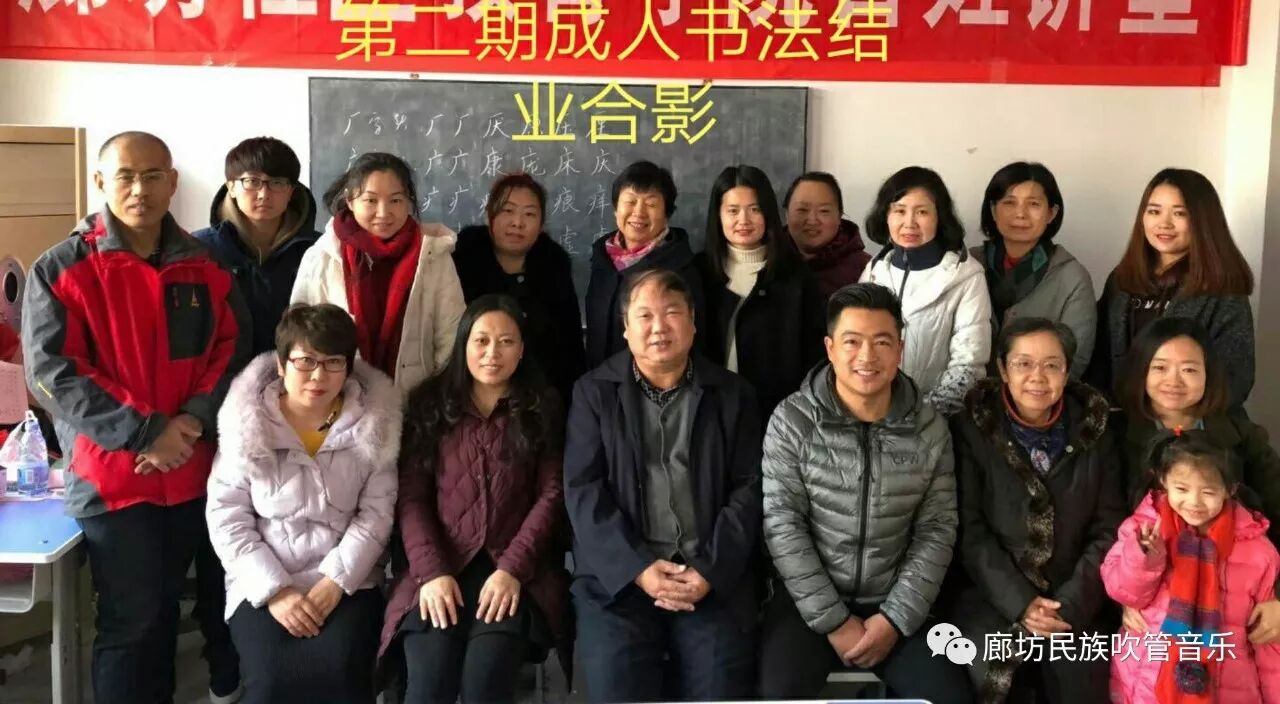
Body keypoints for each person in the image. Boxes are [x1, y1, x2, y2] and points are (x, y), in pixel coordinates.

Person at [22, 131, 250, 704]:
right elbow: (53, 374)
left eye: (152, 176)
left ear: (172, 182)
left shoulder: (204, 264)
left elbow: (231, 349)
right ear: (101, 182)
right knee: (133, 623)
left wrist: (190, 422)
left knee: (172, 614)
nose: (139, 189)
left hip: (193, 470)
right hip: (114, 480)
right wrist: (147, 432)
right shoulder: (63, 268)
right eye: (125, 176)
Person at [759, 282, 970, 703]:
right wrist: (835, 622)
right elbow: (782, 525)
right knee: (775, 692)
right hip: (808, 603)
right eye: (852, 341)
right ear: (830, 348)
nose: (867, 356)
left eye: (882, 342)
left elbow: (937, 529)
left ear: (900, 350)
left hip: (897, 603)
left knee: (952, 696)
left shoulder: (928, 427)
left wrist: (894, 618)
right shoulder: (793, 421)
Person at [564, 268, 762, 702]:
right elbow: (583, 491)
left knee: (720, 690)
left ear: (692, 322)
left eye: (672, 313)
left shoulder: (732, 395)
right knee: (617, 687)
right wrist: (637, 569)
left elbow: (749, 490)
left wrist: (709, 570)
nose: (659, 327)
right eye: (645, 315)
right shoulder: (594, 394)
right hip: (618, 583)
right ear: (625, 327)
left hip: (709, 578)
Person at [206, 303, 400, 704]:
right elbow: (227, 518)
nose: (318, 376)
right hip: (262, 579)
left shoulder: (373, 427)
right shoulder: (247, 424)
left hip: (349, 580)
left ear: (348, 368)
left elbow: (376, 516)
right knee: (272, 679)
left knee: (342, 669)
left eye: (333, 363)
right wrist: (275, 590)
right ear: (281, 365)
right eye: (305, 361)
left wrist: (335, 582)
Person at [379, 294, 569, 704]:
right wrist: (431, 572)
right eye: (481, 340)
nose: (492, 353)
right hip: (439, 566)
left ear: (522, 350)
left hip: (514, 569)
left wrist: (513, 569)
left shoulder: (542, 406)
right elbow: (411, 499)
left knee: (486, 683)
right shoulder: (429, 404)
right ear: (463, 344)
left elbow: (552, 494)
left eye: (506, 341)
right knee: (429, 684)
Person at [191, 135, 322, 702]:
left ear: (293, 190)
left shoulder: (316, 252)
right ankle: (225, 672)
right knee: (223, 543)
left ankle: (290, 665)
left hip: (301, 416)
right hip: (218, 419)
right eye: (249, 181)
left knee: (300, 536)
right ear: (231, 186)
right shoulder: (200, 251)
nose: (262, 193)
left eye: (275, 183)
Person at [950, 317, 1125, 703]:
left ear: (1067, 371)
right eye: (1023, 363)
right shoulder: (973, 429)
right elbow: (970, 530)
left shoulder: (1095, 430)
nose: (1037, 377)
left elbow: (1109, 528)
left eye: (1051, 365)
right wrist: (1021, 603)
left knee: (1082, 677)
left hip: (1075, 595)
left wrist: (1069, 606)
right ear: (1002, 369)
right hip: (993, 595)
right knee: (987, 672)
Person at [1115, 317, 1280, 645]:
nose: (1173, 380)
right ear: (1141, 371)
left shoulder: (1241, 435)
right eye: (1160, 367)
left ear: (1209, 374)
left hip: (1236, 603)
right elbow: (1104, 524)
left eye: (1189, 369)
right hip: (1148, 602)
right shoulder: (1113, 435)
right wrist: (1122, 594)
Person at [1101, 431, 1280, 703]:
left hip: (1230, 687)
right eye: (1182, 489)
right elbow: (1122, 590)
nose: (1194, 502)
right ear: (1163, 481)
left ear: (1230, 489)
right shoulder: (1143, 529)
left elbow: (1268, 641)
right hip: (1148, 681)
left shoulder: (1258, 552)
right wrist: (1144, 557)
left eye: (1208, 492)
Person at [291, 151, 464, 391]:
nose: (383, 212)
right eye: (371, 201)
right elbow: (299, 335)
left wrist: (436, 398)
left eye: (395, 200)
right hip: (341, 399)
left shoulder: (433, 255)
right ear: (350, 200)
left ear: (409, 202)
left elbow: (450, 337)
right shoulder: (322, 256)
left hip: (415, 399)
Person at [1089, 168, 1254, 408]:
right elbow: (1099, 357)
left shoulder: (1222, 288)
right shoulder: (1122, 278)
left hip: (1190, 423)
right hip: (1122, 419)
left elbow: (1236, 377)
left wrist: (1175, 417)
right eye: (1154, 211)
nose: (1164, 223)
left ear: (1203, 221)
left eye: (1179, 213)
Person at [860, 166, 992, 416]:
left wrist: (920, 418)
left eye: (922, 212)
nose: (909, 223)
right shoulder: (874, 271)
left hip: (935, 423)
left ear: (939, 217)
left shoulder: (966, 277)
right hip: (871, 415)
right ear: (886, 216)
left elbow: (968, 367)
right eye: (900, 211)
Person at [697, 164, 825, 416]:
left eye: (754, 209)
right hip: (710, 412)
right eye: (733, 210)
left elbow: (813, 356)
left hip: (776, 415)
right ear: (718, 215)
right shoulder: (699, 272)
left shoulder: (795, 276)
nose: (743, 220)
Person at [452, 173, 586, 405]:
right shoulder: (462, 261)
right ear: (489, 215)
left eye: (529, 214)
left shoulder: (554, 267)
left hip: (541, 399)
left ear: (541, 224)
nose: (517, 223)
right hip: (471, 396)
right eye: (508, 210)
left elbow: (571, 346)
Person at [974, 161, 1095, 375]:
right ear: (993, 210)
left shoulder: (1072, 277)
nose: (1020, 214)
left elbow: (1075, 359)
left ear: (1051, 213)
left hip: (1039, 391)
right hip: (968, 391)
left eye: (1033, 204)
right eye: (1009, 203)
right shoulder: (968, 265)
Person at [584, 161, 706, 368]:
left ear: (667, 214)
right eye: (630, 202)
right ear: (615, 209)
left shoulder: (682, 270)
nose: (638, 212)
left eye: (651, 204)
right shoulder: (602, 261)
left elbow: (696, 346)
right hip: (599, 383)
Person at [783, 171, 872, 302]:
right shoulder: (766, 260)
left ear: (839, 216)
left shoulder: (867, 270)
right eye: (802, 210)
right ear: (786, 214)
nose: (812, 220)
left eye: (823, 211)